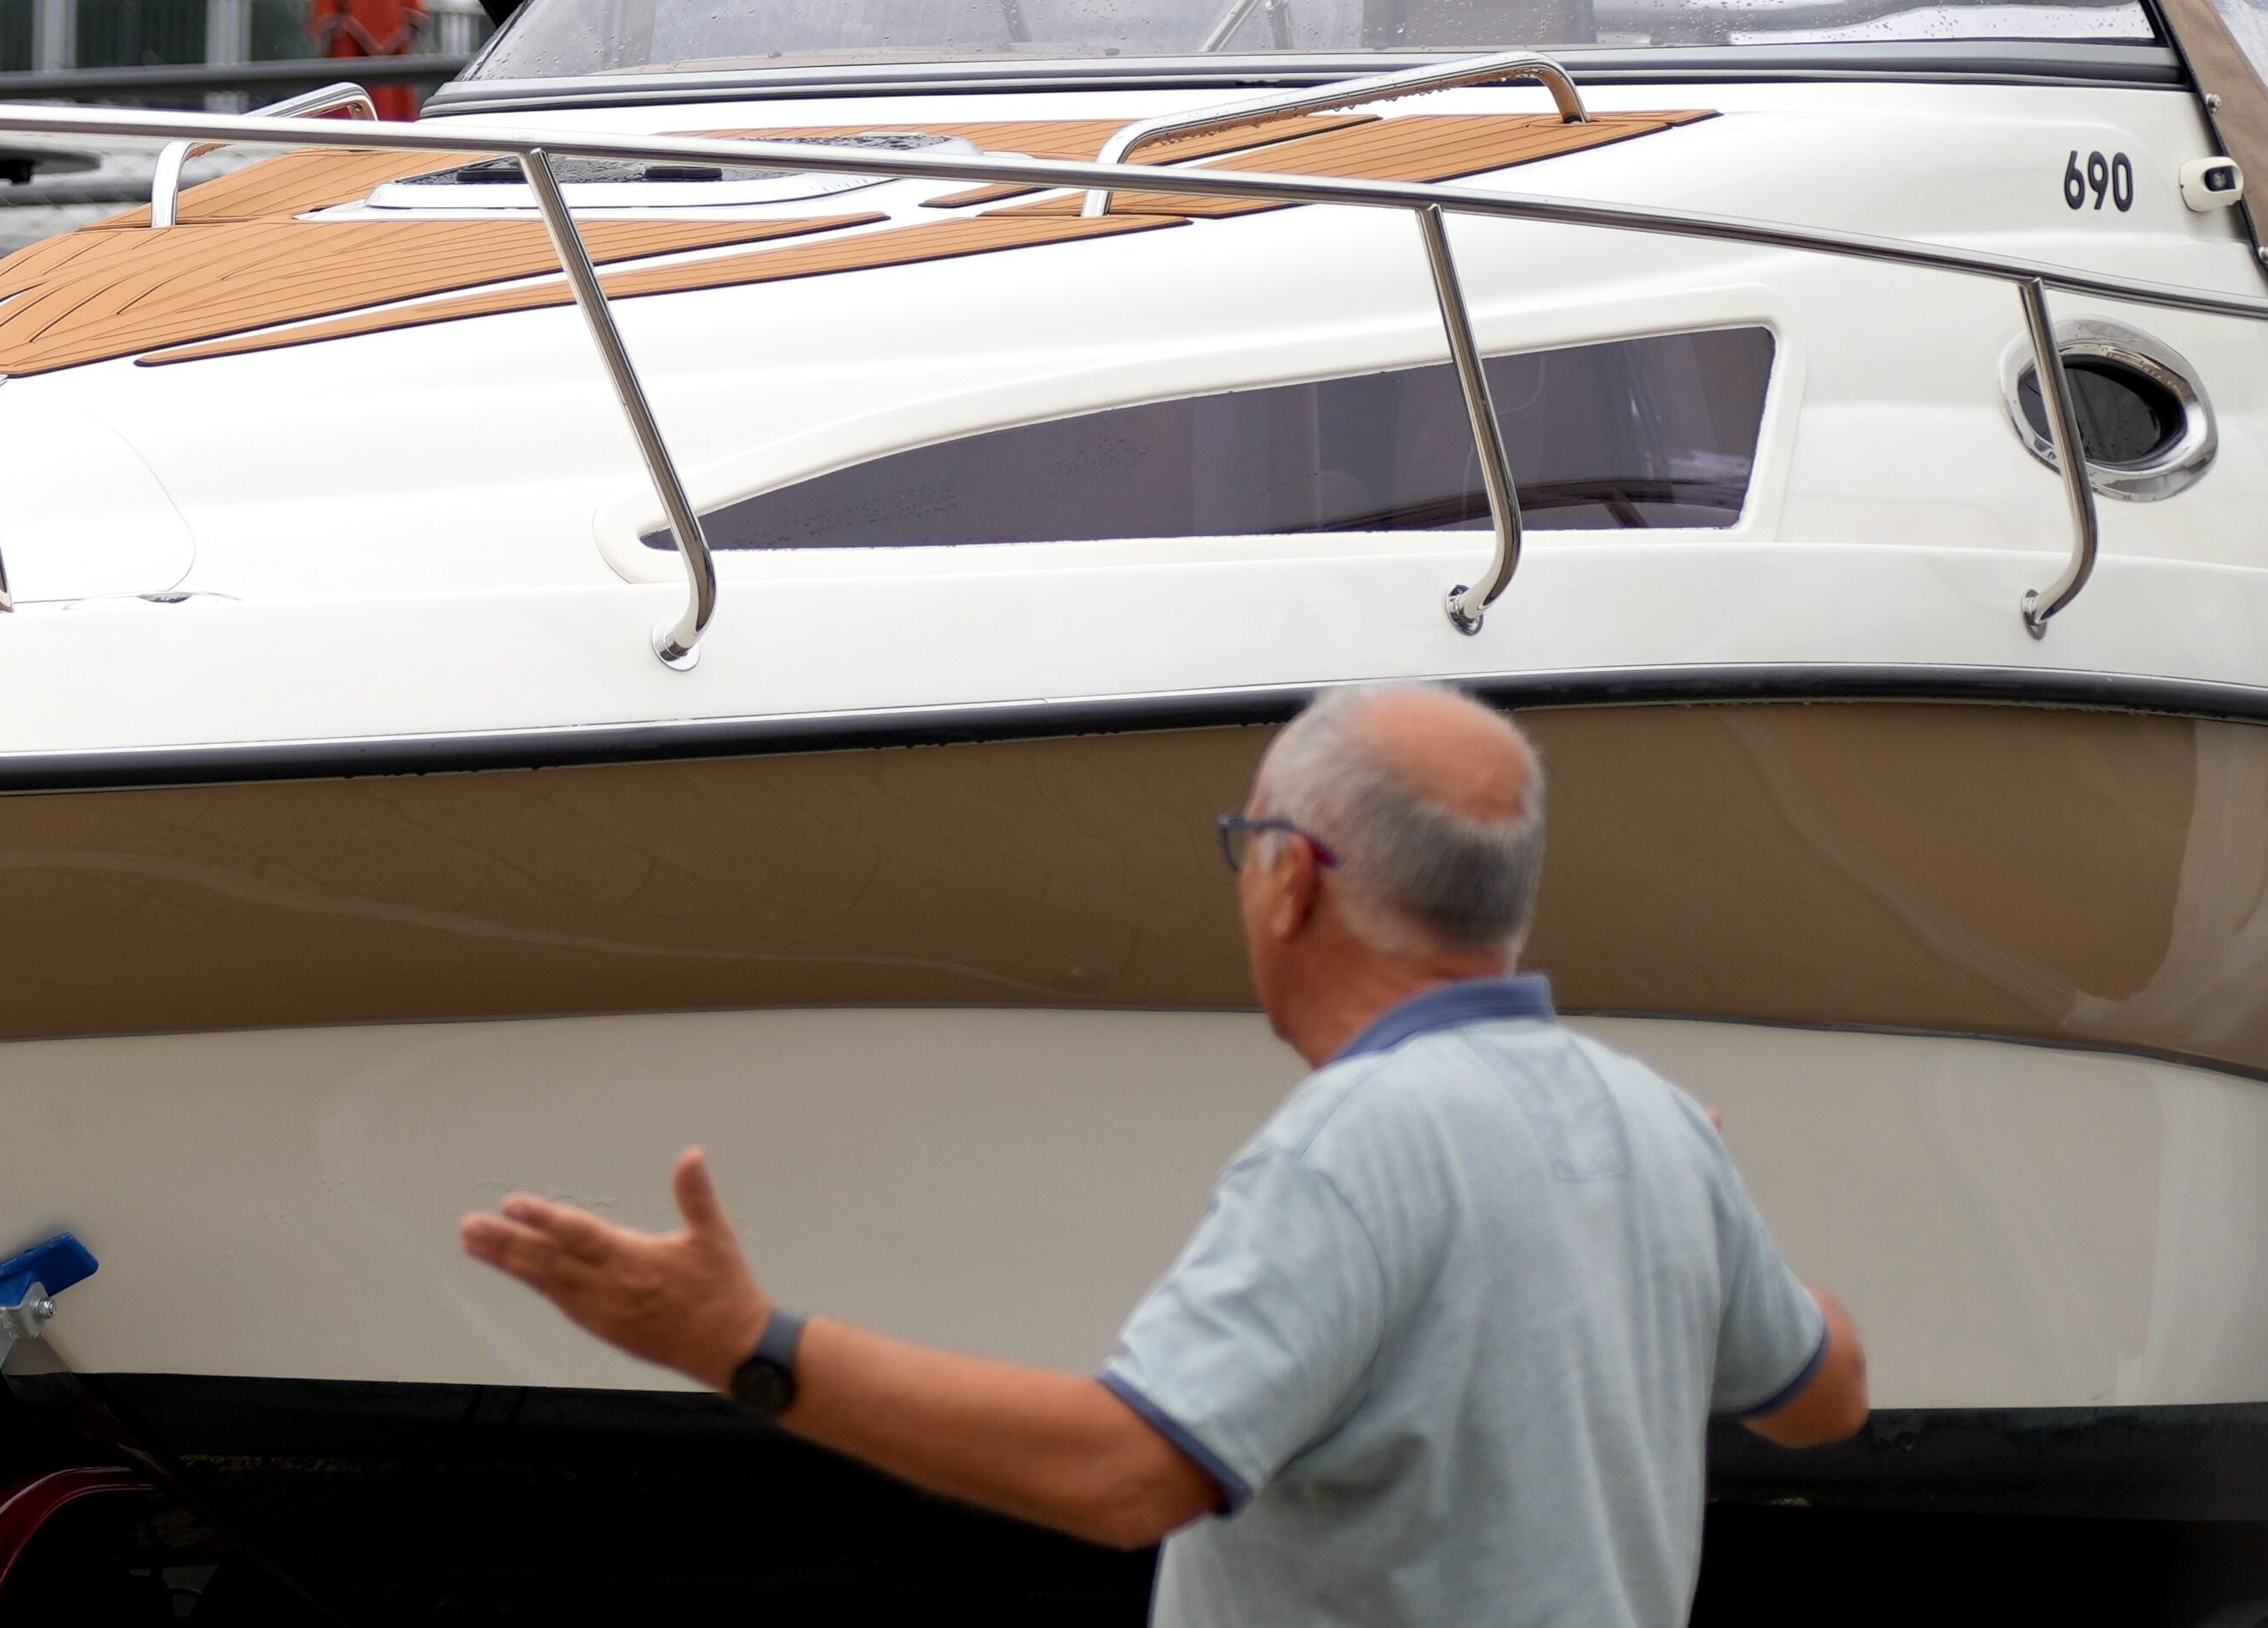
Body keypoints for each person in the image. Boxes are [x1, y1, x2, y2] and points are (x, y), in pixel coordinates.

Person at [454, 681, 1869, 1624]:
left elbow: (1127, 1476)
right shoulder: (1654, 1124)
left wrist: (743, 1345)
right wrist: (1689, 1226)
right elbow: (1828, 1396)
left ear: (1289, 876)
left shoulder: (1356, 1144)